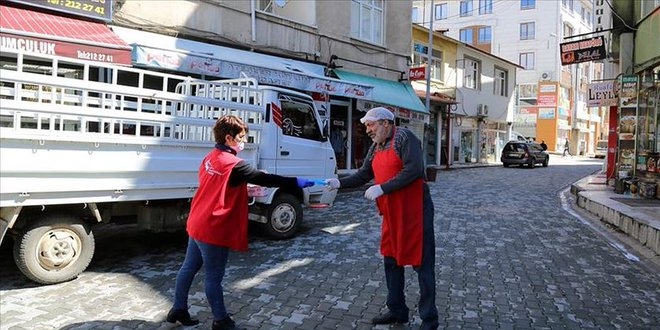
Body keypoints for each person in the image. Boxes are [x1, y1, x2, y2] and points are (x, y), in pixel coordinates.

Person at [167, 115, 314, 330]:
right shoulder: (234, 165)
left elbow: (219, 184)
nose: (244, 141)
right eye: (242, 137)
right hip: (213, 227)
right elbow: (266, 179)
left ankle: (178, 309)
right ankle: (221, 321)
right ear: (229, 138)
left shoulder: (211, 157)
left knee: (188, 268)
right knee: (214, 277)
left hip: (198, 221)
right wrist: (296, 182)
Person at [325, 107, 439, 330]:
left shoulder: (405, 138)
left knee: (422, 265)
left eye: (371, 125)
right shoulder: (376, 146)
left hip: (415, 211)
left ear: (386, 123)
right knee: (391, 260)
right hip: (392, 212)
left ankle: (429, 319)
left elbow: (414, 170)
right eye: (366, 126)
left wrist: (383, 188)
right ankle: (397, 310)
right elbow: (364, 174)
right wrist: (339, 182)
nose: (367, 130)